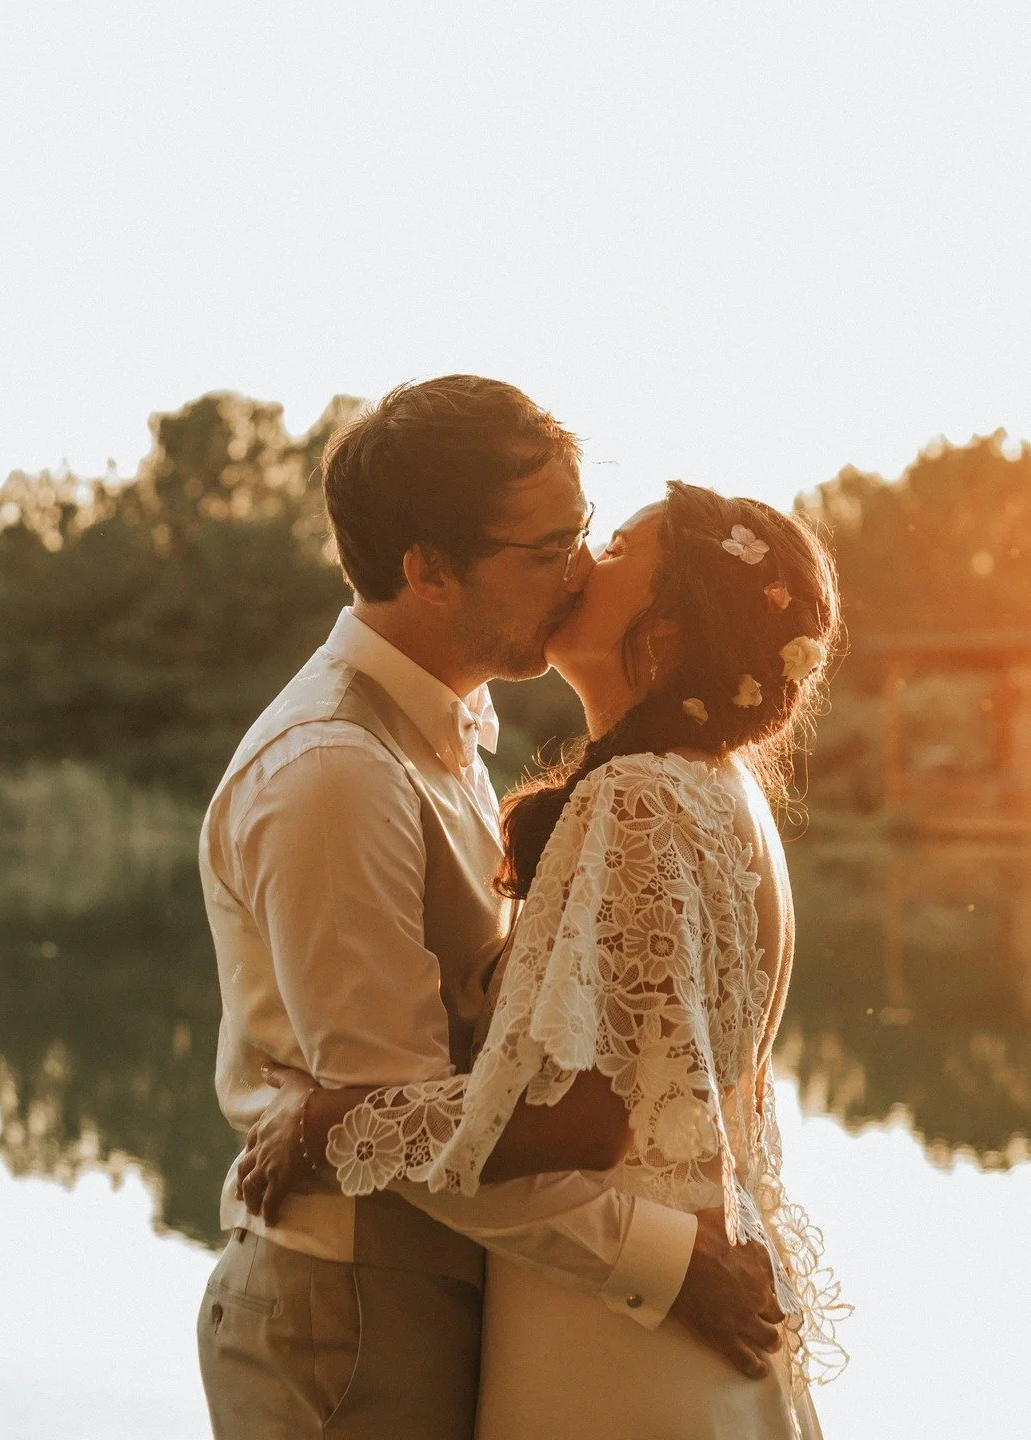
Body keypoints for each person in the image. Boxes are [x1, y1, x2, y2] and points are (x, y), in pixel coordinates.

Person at [196, 377, 788, 1440]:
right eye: (551, 547)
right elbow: (399, 1098)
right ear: (429, 569)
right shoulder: (338, 769)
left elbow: (510, 1097)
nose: (580, 570)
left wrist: (327, 1121)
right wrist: (669, 1261)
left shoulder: (493, 748)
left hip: (540, 1299)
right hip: (357, 1306)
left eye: (590, 535)